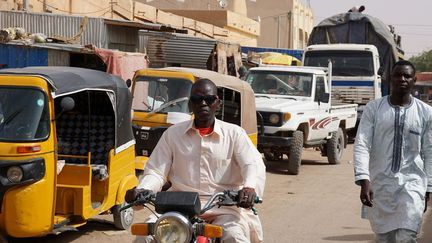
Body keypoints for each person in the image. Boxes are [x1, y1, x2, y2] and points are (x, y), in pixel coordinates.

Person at [126, 78, 266, 243]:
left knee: (235, 238)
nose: (203, 104)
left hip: (224, 211)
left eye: (209, 99)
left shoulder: (235, 134)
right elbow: (156, 171)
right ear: (190, 104)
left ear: (218, 103)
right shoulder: (172, 134)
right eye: (197, 100)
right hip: (177, 210)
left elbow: (251, 165)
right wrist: (142, 190)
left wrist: (249, 188)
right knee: (143, 238)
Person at [353, 60, 432, 243]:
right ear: (389, 79)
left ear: (414, 80)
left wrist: (429, 187)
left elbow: (429, 151)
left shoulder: (426, 112)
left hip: (412, 184)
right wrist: (364, 179)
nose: (402, 79)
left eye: (407, 76)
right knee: (384, 238)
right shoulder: (374, 109)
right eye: (397, 75)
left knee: (407, 236)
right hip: (380, 185)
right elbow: (362, 145)